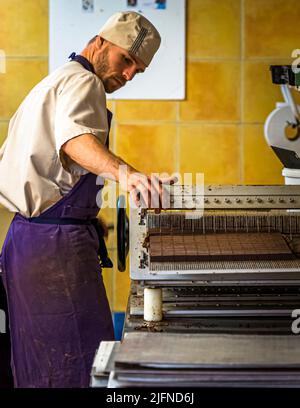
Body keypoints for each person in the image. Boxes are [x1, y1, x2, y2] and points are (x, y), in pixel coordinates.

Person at [0, 11, 167, 388]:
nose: (127, 75)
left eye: (136, 71)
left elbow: (48, 167)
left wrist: (86, 218)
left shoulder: (56, 81)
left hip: (30, 240)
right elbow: (75, 142)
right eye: (126, 60)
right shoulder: (84, 82)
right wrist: (129, 175)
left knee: (41, 364)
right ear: (99, 42)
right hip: (52, 251)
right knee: (80, 367)